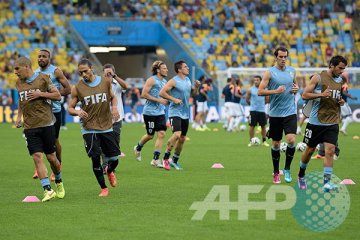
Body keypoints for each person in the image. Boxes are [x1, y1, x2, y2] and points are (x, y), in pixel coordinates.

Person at [14, 57, 65, 202]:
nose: (15, 72)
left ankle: (59, 182)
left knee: (51, 158)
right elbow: (21, 99)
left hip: (46, 124)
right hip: (30, 127)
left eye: (17, 68)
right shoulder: (18, 83)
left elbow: (57, 95)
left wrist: (40, 94)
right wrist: (19, 117)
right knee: (37, 157)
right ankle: (47, 190)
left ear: (26, 66)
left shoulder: (43, 79)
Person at [68, 59, 121, 197]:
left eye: (85, 71)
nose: (83, 74)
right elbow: (70, 108)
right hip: (89, 127)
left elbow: (113, 97)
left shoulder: (105, 82)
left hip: (106, 126)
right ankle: (103, 188)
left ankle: (110, 171)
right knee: (95, 158)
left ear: (91, 68)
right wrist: (77, 112)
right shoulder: (77, 87)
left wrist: (114, 107)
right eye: (80, 72)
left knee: (114, 158)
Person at [297, 55, 347, 192]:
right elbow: (305, 95)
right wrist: (321, 95)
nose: (342, 71)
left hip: (332, 122)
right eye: (340, 68)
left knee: (330, 151)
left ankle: (326, 183)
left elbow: (336, 97)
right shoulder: (318, 78)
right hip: (315, 123)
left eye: (343, 69)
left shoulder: (340, 80)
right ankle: (301, 175)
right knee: (309, 150)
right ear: (332, 65)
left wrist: (340, 101)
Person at [258, 46, 299, 184]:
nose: (283, 59)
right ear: (275, 57)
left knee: (292, 140)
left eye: (285, 57)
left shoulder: (292, 71)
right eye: (280, 57)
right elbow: (260, 91)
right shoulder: (269, 73)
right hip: (275, 114)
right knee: (276, 144)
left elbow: (295, 86)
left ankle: (287, 168)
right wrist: (275, 91)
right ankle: (276, 172)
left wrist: (296, 89)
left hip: (290, 112)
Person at [32, 49, 71, 180]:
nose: (41, 58)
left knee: (54, 140)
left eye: (44, 57)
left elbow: (68, 89)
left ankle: (58, 165)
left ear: (49, 59)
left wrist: (53, 95)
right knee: (39, 139)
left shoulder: (55, 71)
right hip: (40, 111)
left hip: (54, 111)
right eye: (39, 57)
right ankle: (39, 168)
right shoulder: (35, 73)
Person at [159, 60, 201, 170]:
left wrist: (196, 87)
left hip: (185, 114)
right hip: (174, 112)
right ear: (179, 70)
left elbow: (194, 94)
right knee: (177, 135)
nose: (188, 68)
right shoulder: (173, 81)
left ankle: (175, 160)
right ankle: (165, 158)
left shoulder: (187, 80)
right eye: (185, 67)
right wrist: (174, 99)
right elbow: (162, 93)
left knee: (182, 138)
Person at [133, 61, 169, 167]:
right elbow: (143, 94)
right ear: (158, 70)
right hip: (150, 112)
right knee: (150, 135)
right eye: (164, 68)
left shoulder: (165, 81)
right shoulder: (151, 80)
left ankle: (155, 160)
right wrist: (159, 100)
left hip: (160, 112)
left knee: (162, 134)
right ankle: (138, 147)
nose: (166, 70)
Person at [102, 63, 128, 171]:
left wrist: (115, 76)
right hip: (103, 117)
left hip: (117, 117)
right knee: (104, 142)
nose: (108, 74)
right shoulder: (99, 84)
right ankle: (105, 166)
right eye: (106, 73)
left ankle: (112, 165)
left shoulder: (117, 83)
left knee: (115, 141)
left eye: (110, 72)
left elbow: (126, 86)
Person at [245, 75, 269, 147]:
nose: (255, 81)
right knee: (252, 126)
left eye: (257, 80)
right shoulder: (250, 90)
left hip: (261, 111)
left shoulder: (264, 89)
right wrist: (252, 105)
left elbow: (267, 99)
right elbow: (247, 99)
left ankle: (264, 141)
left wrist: (261, 105)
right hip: (253, 111)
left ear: (261, 81)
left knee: (263, 126)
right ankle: (251, 141)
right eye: (254, 80)